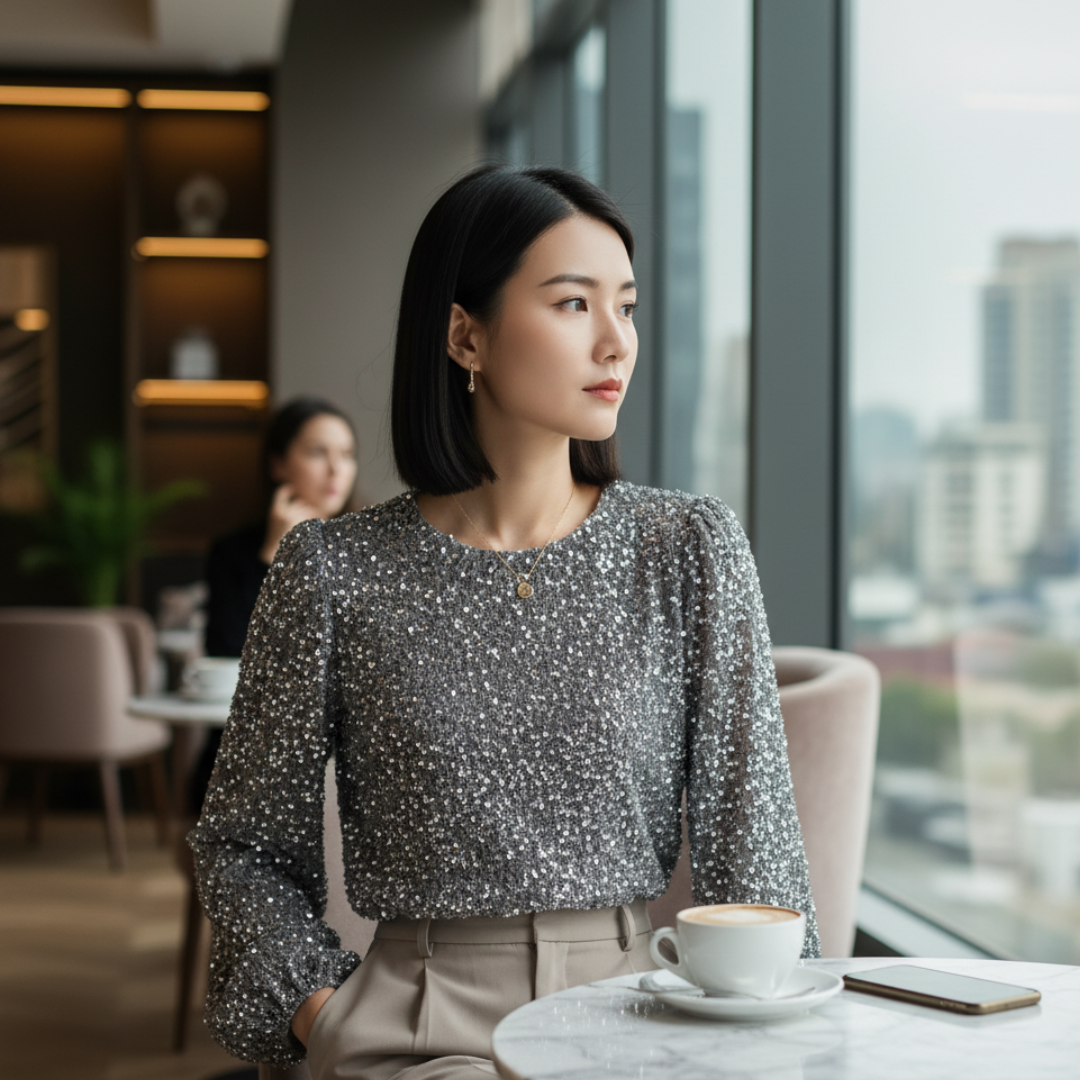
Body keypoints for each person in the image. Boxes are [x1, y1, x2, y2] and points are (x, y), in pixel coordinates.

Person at [190, 164, 820, 1079]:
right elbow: (245, 844)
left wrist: (757, 1033)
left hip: (640, 1018)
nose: (616, 343)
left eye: (627, 307)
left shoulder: (687, 547)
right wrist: (319, 1015)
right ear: (464, 334)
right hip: (417, 1030)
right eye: (573, 305)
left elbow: (753, 848)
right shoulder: (334, 571)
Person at [188, 397, 358, 810]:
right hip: (257, 737)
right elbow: (229, 651)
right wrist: (274, 555)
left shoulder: (367, 550)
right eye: (318, 453)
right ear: (278, 464)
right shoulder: (234, 552)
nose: (337, 470)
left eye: (347, 455)